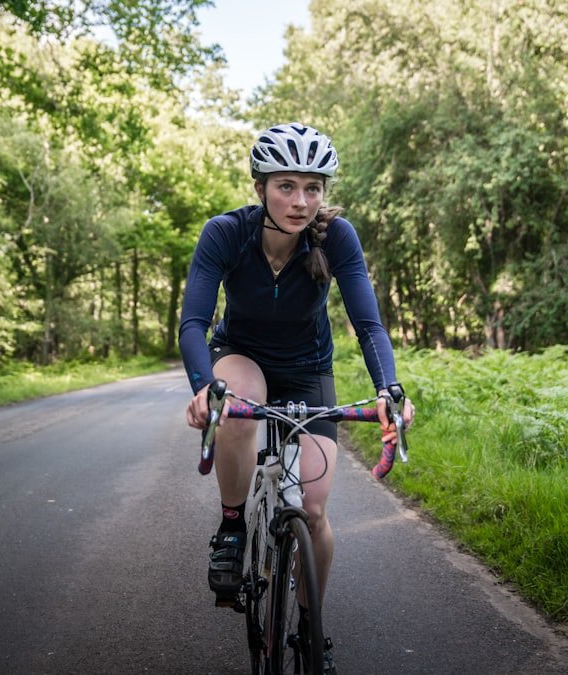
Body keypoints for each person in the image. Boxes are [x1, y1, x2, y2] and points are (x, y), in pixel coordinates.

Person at [180, 123, 415, 674]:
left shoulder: (336, 238)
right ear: (260, 185)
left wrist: (389, 389)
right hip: (241, 355)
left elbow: (368, 325)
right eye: (286, 185)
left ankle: (311, 629)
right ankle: (234, 525)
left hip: (310, 371)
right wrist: (202, 389)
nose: (300, 201)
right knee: (243, 399)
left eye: (313, 188)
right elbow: (194, 321)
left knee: (312, 511)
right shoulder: (226, 233)